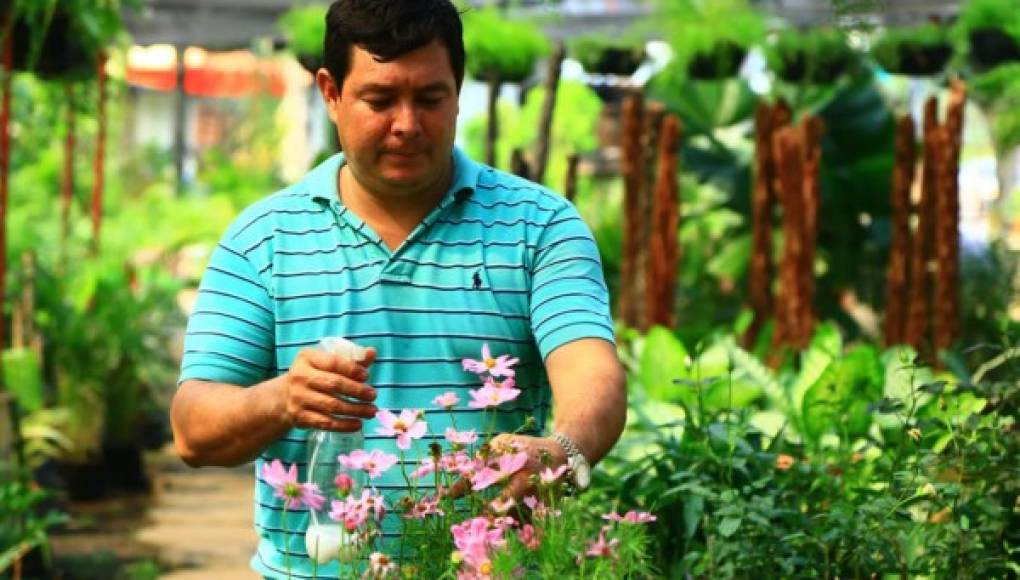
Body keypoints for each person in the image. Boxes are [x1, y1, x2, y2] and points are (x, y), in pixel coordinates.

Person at [169, 0, 626, 577]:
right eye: (380, 100)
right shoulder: (264, 238)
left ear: (458, 91)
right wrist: (282, 398)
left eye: (430, 98)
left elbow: (594, 375)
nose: (406, 123)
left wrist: (562, 450)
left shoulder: (540, 226)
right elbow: (192, 428)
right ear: (331, 92)